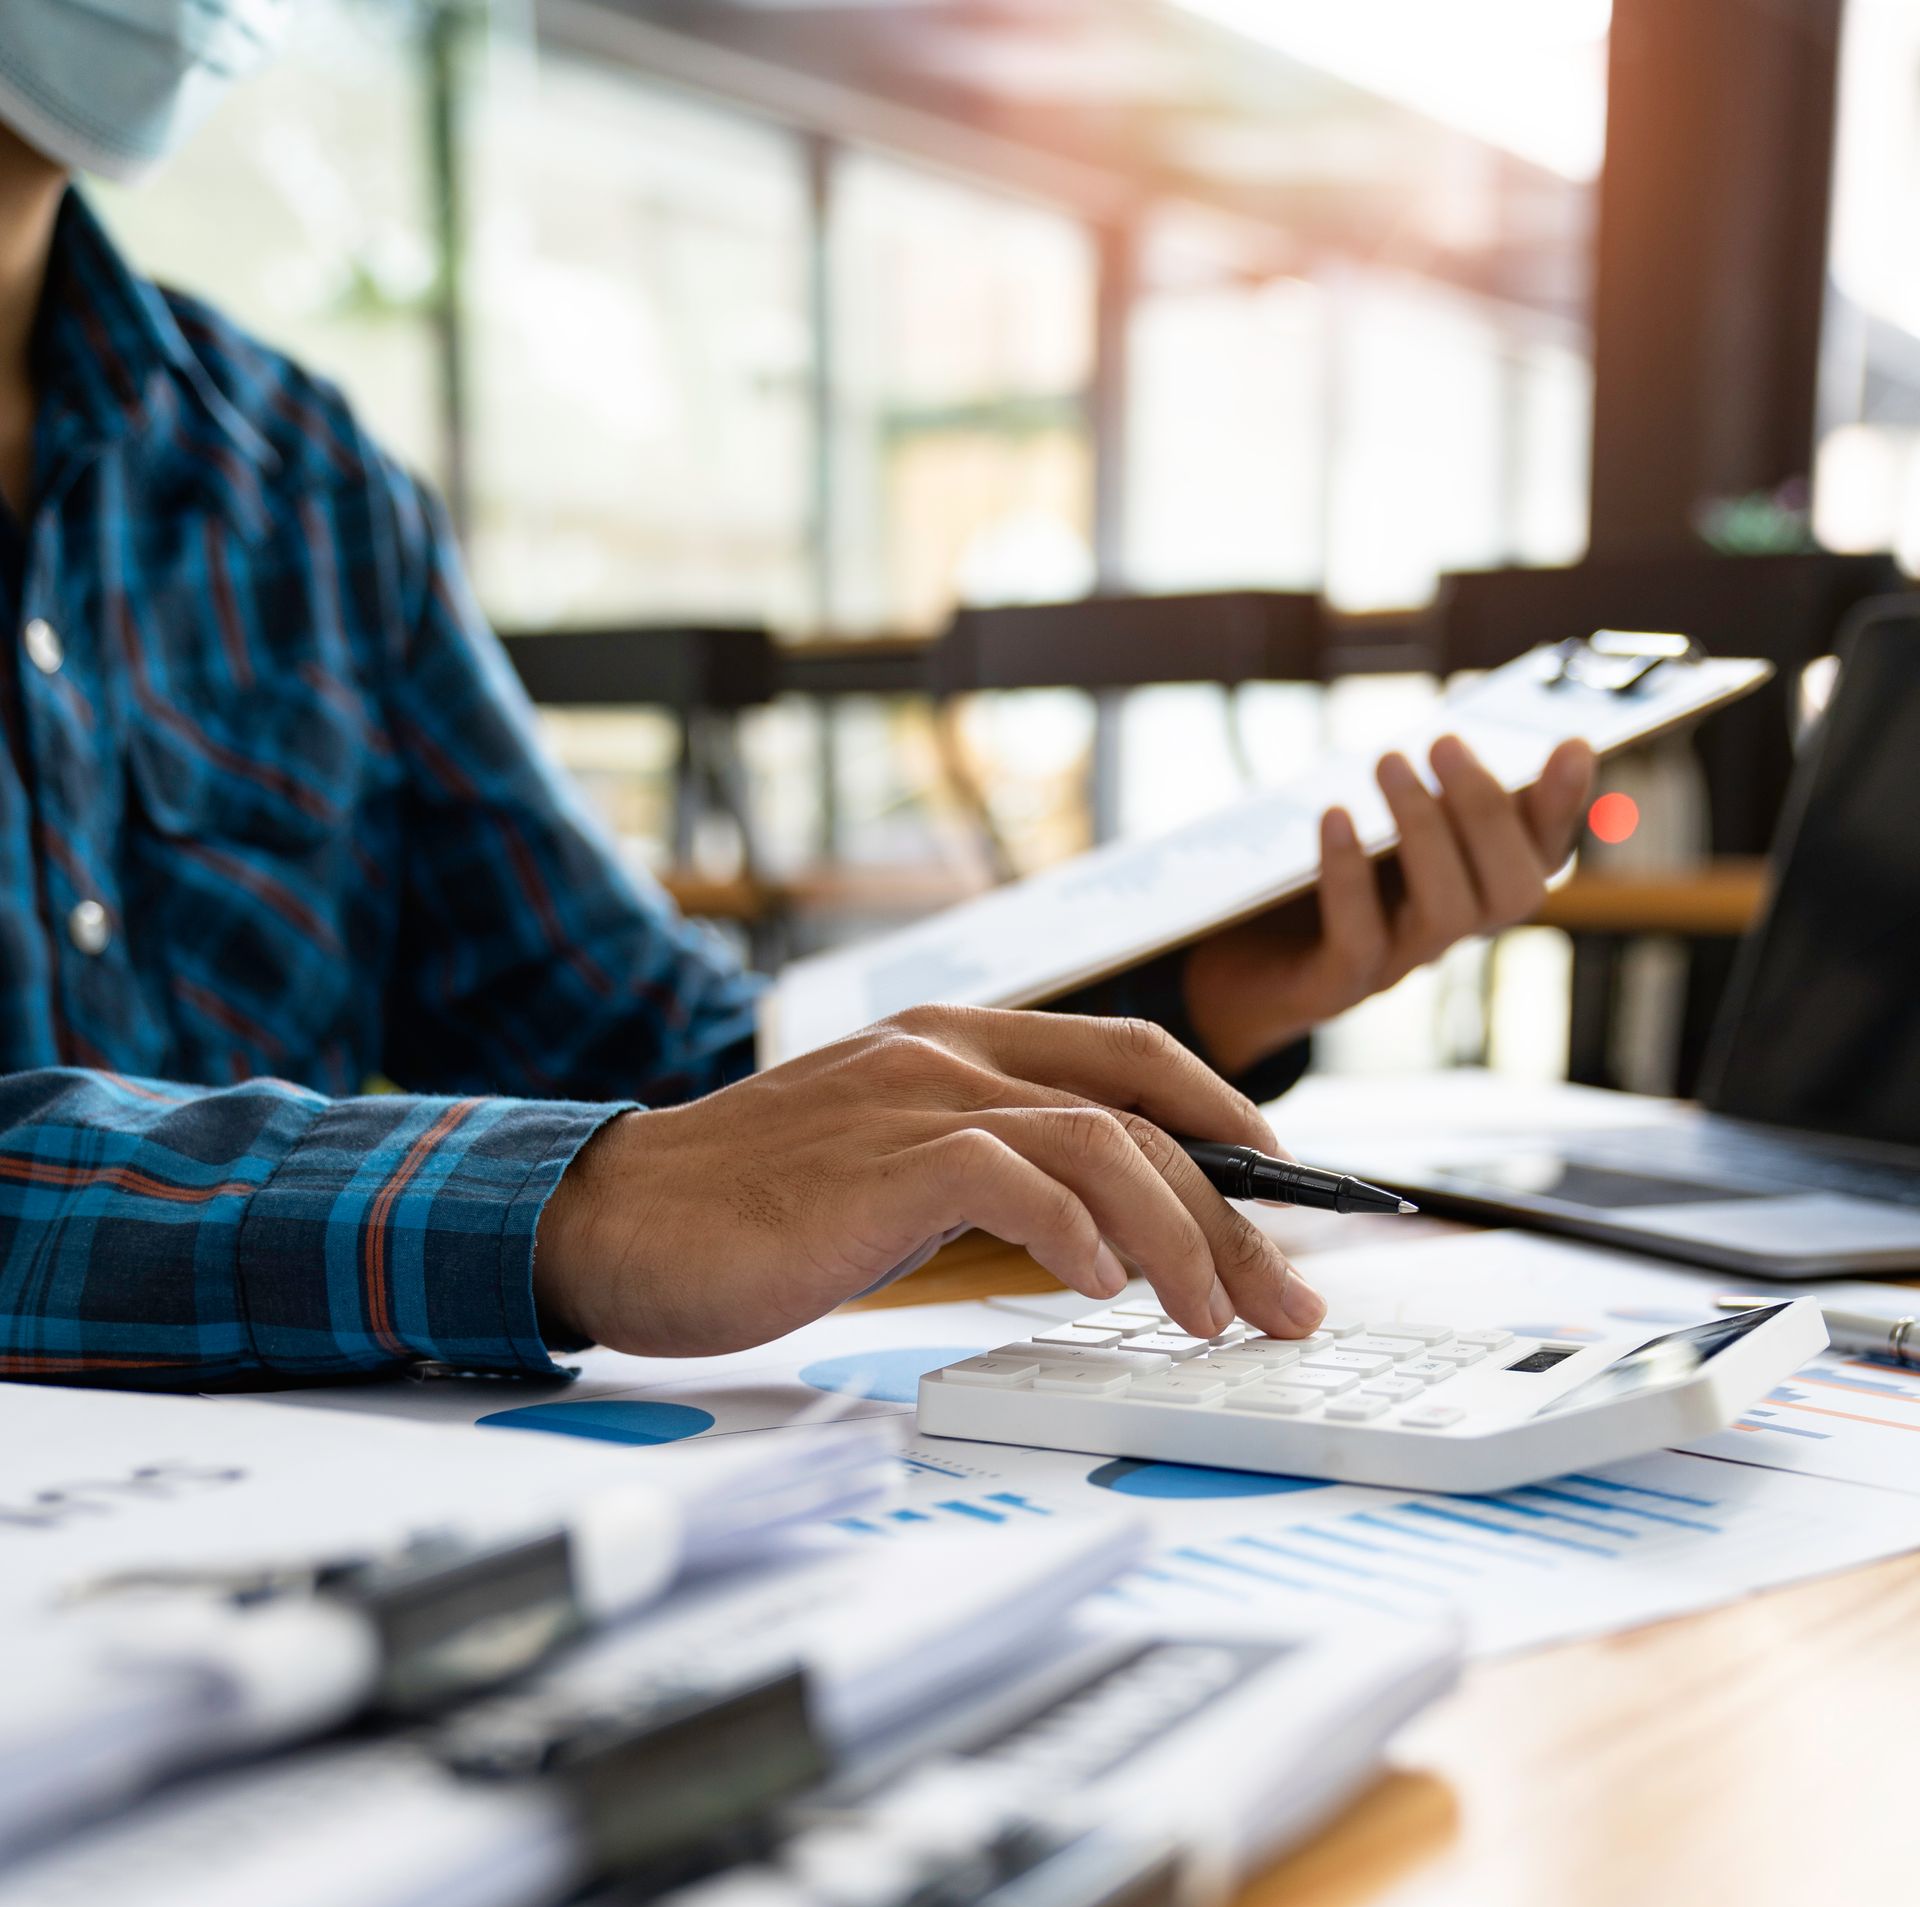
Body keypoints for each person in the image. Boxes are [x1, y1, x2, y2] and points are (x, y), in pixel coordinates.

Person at [0, 0, 1592, 1389]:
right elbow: (645, 1161)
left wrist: (1194, 987)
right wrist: (576, 1206)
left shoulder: (300, 481)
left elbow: (657, 1049)